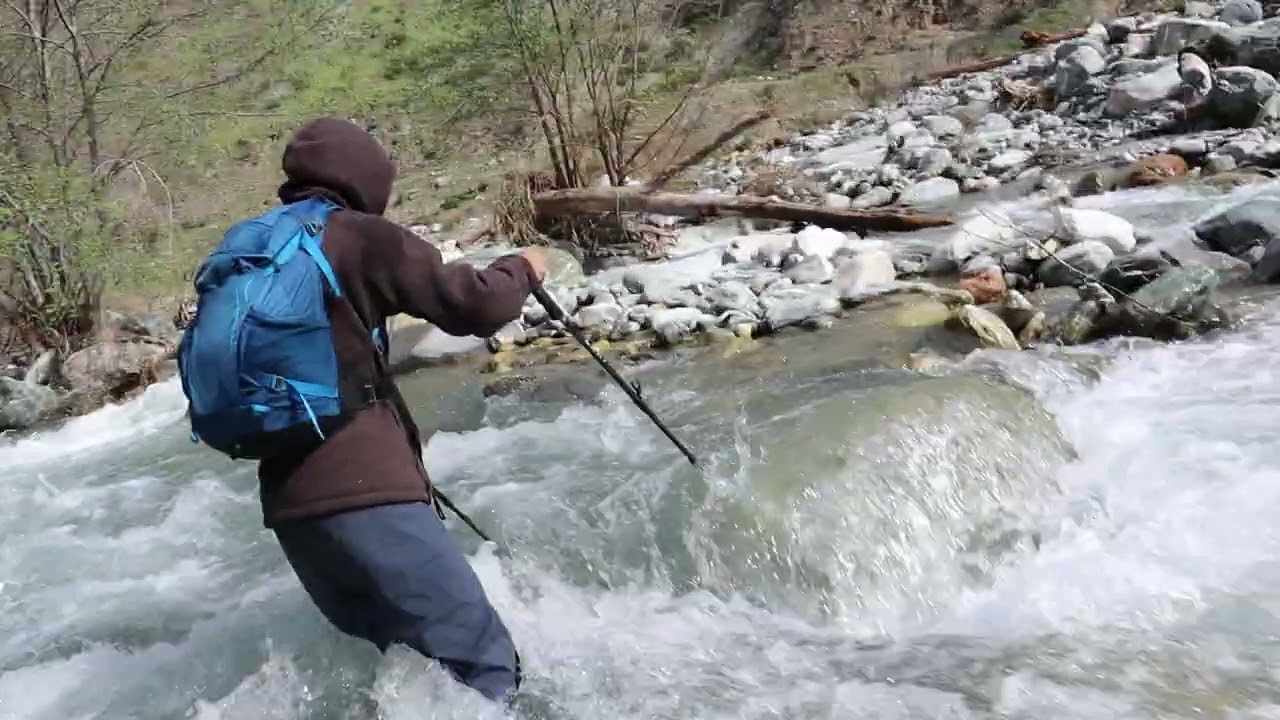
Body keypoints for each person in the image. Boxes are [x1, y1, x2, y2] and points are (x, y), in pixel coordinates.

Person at [254, 117, 548, 704]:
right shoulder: (359, 237)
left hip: (293, 514)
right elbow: (474, 306)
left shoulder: (250, 249)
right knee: (484, 672)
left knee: (408, 679)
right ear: (366, 181)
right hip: (369, 498)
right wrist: (524, 267)